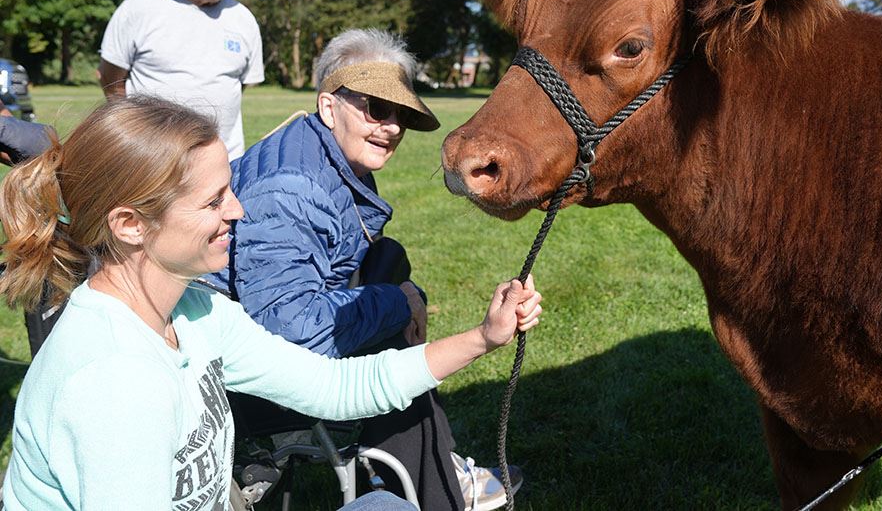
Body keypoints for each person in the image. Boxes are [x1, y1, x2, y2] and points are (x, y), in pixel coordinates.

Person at [0, 96, 541, 511]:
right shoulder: (116, 382)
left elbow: (338, 388)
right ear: (130, 224)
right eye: (214, 201)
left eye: (229, 189)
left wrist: (482, 337)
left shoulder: (197, 313)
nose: (238, 210)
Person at [204, 29, 521, 510]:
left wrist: (397, 292)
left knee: (387, 263)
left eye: (401, 115)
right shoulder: (291, 187)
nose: (391, 126)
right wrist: (397, 304)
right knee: (387, 324)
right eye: (376, 108)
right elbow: (290, 332)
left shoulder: (322, 152)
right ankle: (437, 485)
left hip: (263, 332)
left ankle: (427, 464)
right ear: (330, 107)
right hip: (243, 381)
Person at [98, 0, 264, 159]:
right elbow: (111, 78)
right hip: (154, 162)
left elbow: (238, 86)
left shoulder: (243, 18)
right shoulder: (140, 7)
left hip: (225, 163)